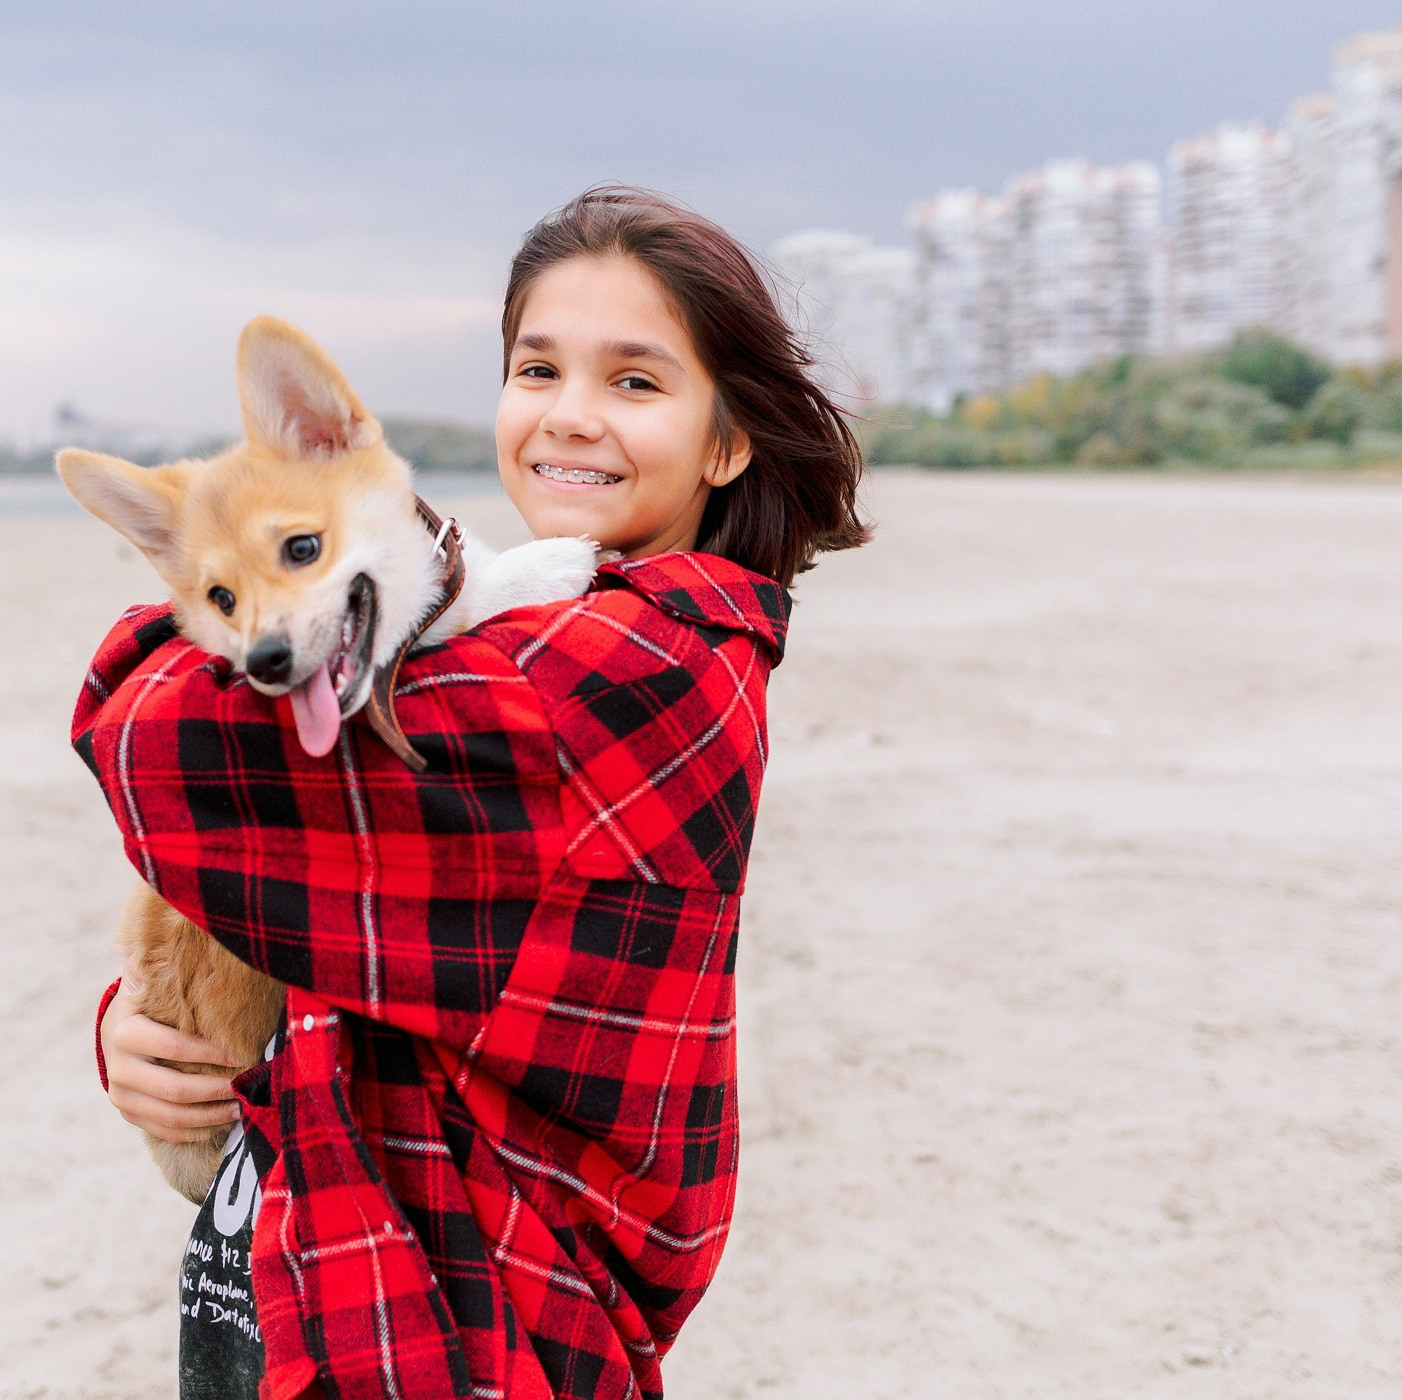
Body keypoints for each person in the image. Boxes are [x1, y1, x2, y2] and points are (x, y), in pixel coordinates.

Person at [78, 185, 871, 1400]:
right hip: (315, 1265)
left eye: (635, 380)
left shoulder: (627, 670)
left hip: (457, 1330)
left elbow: (151, 744)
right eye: (537, 368)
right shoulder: (529, 637)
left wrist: (220, 579)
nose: (571, 414)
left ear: (726, 441)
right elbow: (326, 917)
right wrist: (143, 1035)